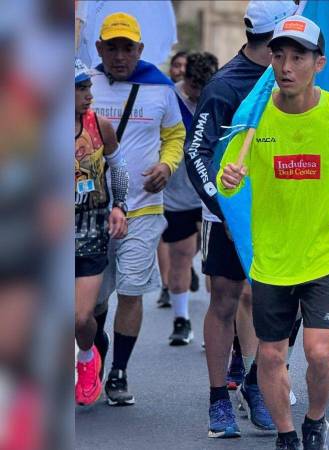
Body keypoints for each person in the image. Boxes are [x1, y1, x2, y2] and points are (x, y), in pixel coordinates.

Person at [218, 16, 329, 450]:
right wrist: (230, 177)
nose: (286, 66)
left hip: (325, 255)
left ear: (319, 63)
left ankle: (314, 419)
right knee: (272, 355)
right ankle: (287, 435)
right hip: (273, 259)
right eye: (279, 56)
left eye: (298, 57)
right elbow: (228, 179)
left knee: (317, 352)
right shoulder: (255, 119)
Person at [184, 0, 298, 438]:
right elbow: (197, 154)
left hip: (284, 215)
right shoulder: (225, 84)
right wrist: (223, 210)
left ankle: (253, 384)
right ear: (274, 37)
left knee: (277, 302)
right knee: (227, 300)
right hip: (230, 215)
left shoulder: (298, 76)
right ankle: (218, 400)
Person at [90, 12, 185, 406]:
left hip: (142, 211)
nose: (119, 55)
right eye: (112, 47)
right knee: (91, 303)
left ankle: (118, 372)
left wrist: (167, 165)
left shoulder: (161, 89)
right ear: (99, 49)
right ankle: (93, 353)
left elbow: (176, 134)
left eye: (127, 47)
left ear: (140, 50)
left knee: (130, 291)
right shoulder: (83, 87)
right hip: (90, 214)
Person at [75, 58, 129, 406]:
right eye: (80, 88)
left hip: (91, 226)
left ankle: (86, 357)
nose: (88, 95)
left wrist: (119, 205)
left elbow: (118, 168)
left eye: (88, 87)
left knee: (80, 316)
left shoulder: (100, 125)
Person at [162, 52, 218, 345]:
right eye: (194, 88)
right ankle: (181, 320)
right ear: (185, 80)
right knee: (181, 256)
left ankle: (215, 321)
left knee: (212, 261)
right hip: (178, 192)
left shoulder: (217, 97)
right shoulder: (169, 98)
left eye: (203, 88)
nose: (198, 94)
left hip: (209, 191)